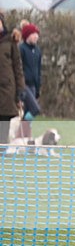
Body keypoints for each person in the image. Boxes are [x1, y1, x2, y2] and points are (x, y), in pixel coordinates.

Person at [0, 12, 26, 149]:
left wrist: (21, 89)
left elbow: (18, 67)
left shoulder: (10, 42)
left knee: (4, 123)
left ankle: (2, 149)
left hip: (7, 89)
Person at [18, 21, 42, 146]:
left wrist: (38, 89)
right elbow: (18, 69)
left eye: (37, 34)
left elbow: (39, 70)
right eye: (33, 34)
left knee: (29, 112)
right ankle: (19, 134)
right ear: (27, 35)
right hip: (24, 85)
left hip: (33, 86)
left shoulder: (37, 51)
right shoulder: (21, 49)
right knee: (35, 109)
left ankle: (23, 140)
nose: (36, 36)